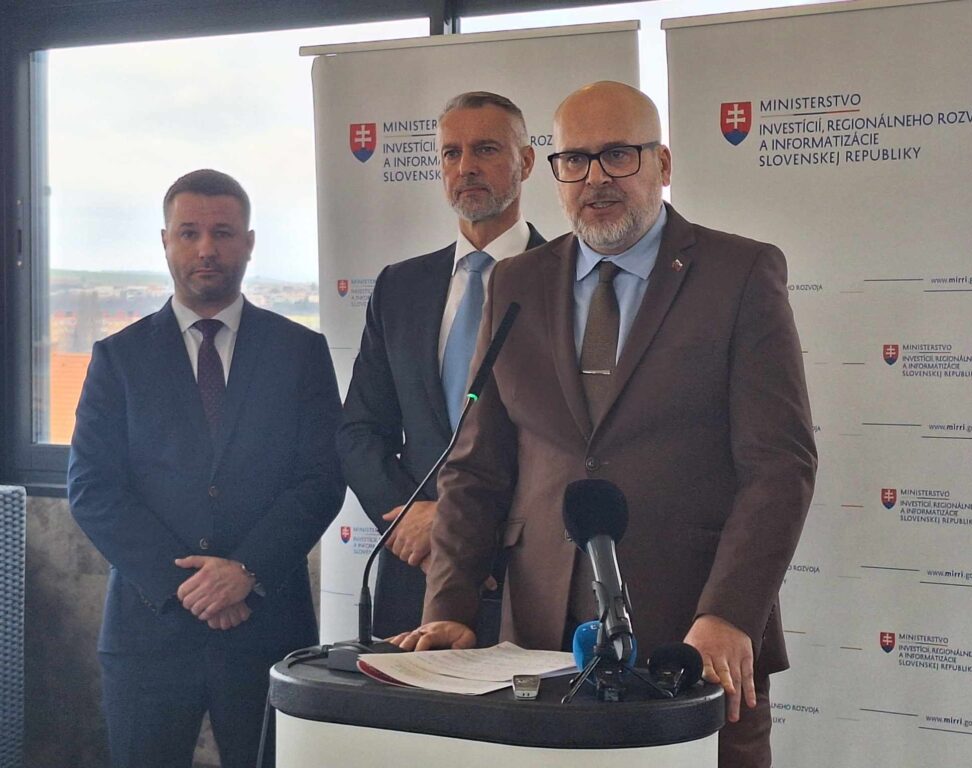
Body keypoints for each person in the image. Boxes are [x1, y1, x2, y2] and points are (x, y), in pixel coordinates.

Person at [395, 82, 817, 768]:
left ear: (663, 163)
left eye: (619, 155)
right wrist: (449, 607)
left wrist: (729, 612)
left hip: (696, 643)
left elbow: (779, 467)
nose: (596, 178)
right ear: (554, 172)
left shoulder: (739, 273)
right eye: (576, 159)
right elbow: (476, 468)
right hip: (537, 648)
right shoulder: (516, 283)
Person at [68, 169, 344, 768]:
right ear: (164, 241)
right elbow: (92, 488)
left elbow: (322, 479)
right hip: (150, 634)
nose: (206, 249)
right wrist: (187, 588)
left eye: (222, 232)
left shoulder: (300, 352)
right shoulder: (118, 358)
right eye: (189, 232)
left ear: (249, 242)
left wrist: (246, 570)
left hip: (268, 629)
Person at [337, 91, 545, 642]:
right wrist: (410, 516)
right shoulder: (400, 287)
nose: (466, 166)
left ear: (526, 162)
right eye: (451, 153)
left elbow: (569, 449)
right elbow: (360, 431)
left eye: (486, 150)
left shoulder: (567, 281)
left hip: (524, 575)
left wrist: (457, 523)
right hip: (415, 573)